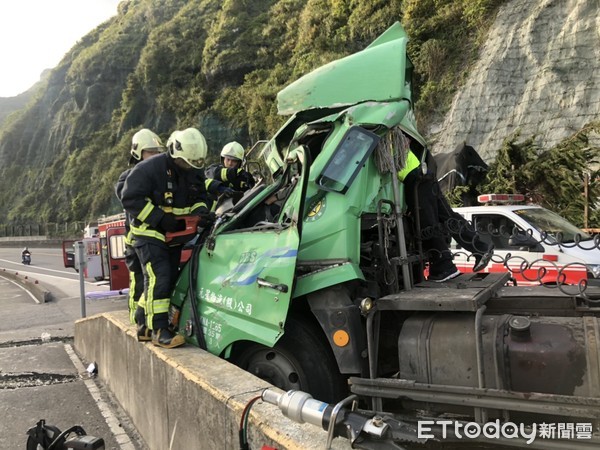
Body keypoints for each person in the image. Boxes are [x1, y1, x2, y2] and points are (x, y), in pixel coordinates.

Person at [120, 127, 216, 348]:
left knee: (166, 279)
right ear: (174, 154)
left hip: (173, 236)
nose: (188, 169)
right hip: (149, 233)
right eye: (185, 164)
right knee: (159, 277)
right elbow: (130, 199)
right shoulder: (149, 170)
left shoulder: (193, 169)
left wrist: (201, 213)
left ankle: (144, 324)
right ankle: (160, 331)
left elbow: (200, 197)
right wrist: (159, 218)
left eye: (193, 165)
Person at [399, 143, 493, 282]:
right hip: (426, 174)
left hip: (414, 180)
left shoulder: (384, 137)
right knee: (448, 216)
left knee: (427, 223)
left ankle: (444, 266)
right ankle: (479, 247)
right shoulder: (397, 139)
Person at [115, 128, 164, 342]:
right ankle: (138, 320)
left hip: (153, 237)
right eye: (150, 152)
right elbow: (126, 196)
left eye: (157, 152)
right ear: (138, 153)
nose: (155, 156)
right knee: (138, 281)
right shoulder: (128, 177)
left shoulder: (159, 175)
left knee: (150, 281)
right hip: (135, 240)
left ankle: (144, 319)